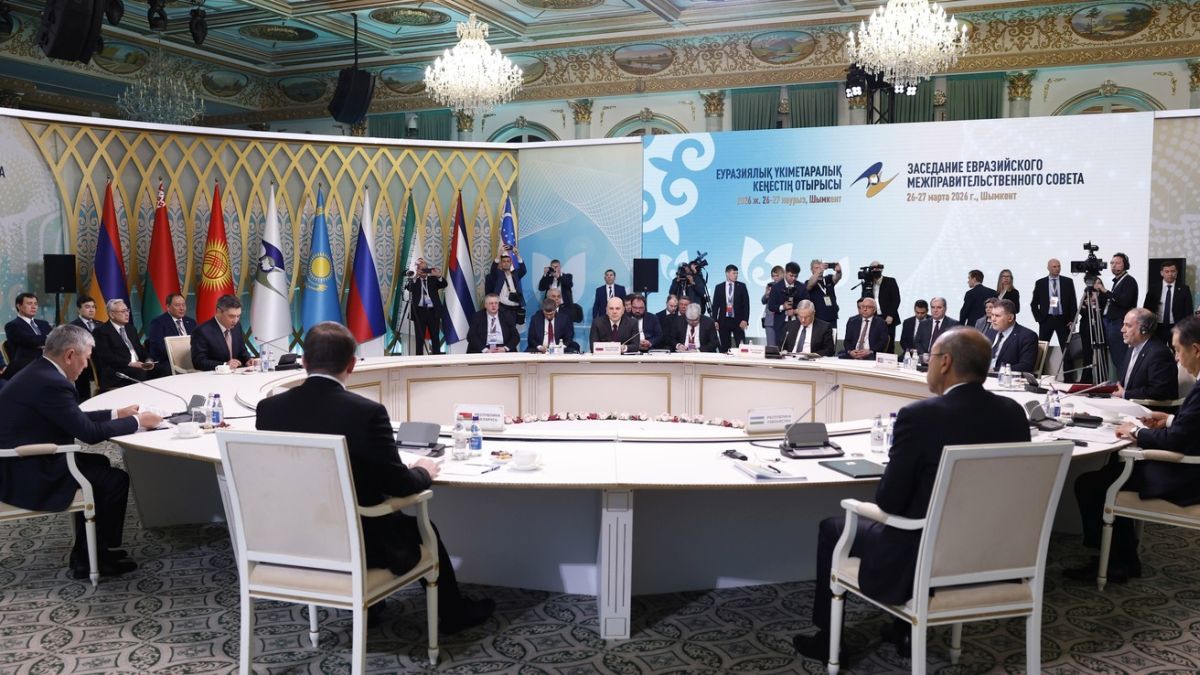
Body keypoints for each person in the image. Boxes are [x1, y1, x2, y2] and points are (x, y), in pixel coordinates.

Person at [792, 328, 1030, 663]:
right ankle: (903, 630)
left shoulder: (921, 416)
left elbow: (889, 502)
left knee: (834, 528)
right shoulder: (1013, 413)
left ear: (945, 363)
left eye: (931, 357)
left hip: (922, 554)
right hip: (990, 554)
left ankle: (829, 641)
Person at [255, 321, 494, 632]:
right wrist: (423, 470)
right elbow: (398, 485)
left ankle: (375, 605)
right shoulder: (366, 413)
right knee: (422, 529)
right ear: (352, 365)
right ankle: (452, 614)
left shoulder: (269, 410)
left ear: (303, 361)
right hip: (359, 543)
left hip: (295, 540)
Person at [0, 325, 162, 580]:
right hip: (24, 469)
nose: (87, 365)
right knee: (114, 480)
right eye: (86, 358)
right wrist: (138, 422)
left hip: (23, 458)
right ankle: (93, 559)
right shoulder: (51, 383)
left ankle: (90, 551)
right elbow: (89, 434)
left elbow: (72, 417)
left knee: (100, 463)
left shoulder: (41, 371)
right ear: (69, 355)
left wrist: (117, 413)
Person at [1068, 316, 1200, 584]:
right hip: (1184, 464)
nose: (1176, 358)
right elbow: (1191, 427)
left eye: (1178, 350)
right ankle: (1123, 557)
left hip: (1185, 475)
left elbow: (1177, 440)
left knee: (1092, 483)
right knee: (1109, 472)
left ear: (1196, 349)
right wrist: (1169, 420)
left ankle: (1114, 562)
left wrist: (1136, 432)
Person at [1112, 308, 1178, 402]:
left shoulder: (1159, 353)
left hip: (1148, 408)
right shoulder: (1132, 348)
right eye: (1123, 325)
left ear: (1144, 329)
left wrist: (1125, 394)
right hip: (1127, 403)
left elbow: (1159, 391)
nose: (1122, 330)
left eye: (1128, 325)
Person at [92, 299, 157, 391]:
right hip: (116, 371)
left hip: (137, 366)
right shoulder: (101, 331)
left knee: (159, 369)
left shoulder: (131, 329)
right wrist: (130, 364)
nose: (127, 314)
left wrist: (148, 360)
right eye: (123, 311)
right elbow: (106, 357)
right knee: (140, 373)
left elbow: (140, 349)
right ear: (112, 314)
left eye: (127, 310)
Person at [1095, 253, 1138, 372]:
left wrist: (1104, 290)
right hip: (1111, 322)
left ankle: (1124, 382)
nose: (1114, 265)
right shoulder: (1118, 281)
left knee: (1120, 356)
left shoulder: (1129, 281)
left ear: (1125, 265)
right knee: (1115, 356)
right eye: (1112, 263)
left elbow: (1124, 302)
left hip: (1119, 323)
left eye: (1117, 263)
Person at [191, 294, 256, 371]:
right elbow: (198, 362)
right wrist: (224, 365)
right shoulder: (202, 331)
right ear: (219, 311)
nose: (235, 321)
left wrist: (248, 360)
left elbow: (242, 350)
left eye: (238, 316)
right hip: (214, 375)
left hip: (236, 374)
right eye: (231, 316)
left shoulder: (237, 326)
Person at [144, 293, 197, 377]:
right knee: (169, 369)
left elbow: (197, 341)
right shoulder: (158, 323)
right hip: (167, 360)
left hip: (190, 357)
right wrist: (180, 355)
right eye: (177, 305)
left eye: (183, 305)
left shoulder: (191, 322)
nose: (182, 308)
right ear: (168, 307)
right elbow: (158, 346)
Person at [1030, 258, 1078, 350]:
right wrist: (1039, 319)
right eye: (1054, 267)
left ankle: (1067, 360)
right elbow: (1034, 304)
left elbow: (1073, 301)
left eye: (1059, 266)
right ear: (1048, 268)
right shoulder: (1040, 283)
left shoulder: (1068, 281)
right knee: (1041, 348)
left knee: (1067, 349)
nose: (1057, 269)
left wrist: (1073, 319)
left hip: (1063, 320)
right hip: (1046, 319)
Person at [3, 292, 53, 378]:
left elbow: (56, 339)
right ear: (19, 306)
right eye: (29, 303)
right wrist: (48, 339)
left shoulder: (44, 324)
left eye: (35, 304)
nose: (34, 307)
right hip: (26, 365)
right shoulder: (12, 325)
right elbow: (30, 340)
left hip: (49, 362)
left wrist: (42, 342)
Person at [1144, 260, 1193, 344]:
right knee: (1157, 348)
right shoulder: (1154, 288)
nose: (1170, 274)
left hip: (1176, 327)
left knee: (1176, 349)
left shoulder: (1184, 289)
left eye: (1173, 271)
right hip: (1157, 326)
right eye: (1167, 271)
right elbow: (1147, 308)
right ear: (1162, 273)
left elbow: (1188, 310)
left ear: (1176, 272)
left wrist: (1186, 328)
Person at [405, 258, 447, 355]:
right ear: (417, 269)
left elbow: (444, 284)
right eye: (421, 269)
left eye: (425, 269)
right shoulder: (415, 281)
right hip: (419, 312)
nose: (424, 271)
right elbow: (408, 288)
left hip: (433, 312)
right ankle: (419, 359)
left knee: (435, 337)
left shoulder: (433, 280)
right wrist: (416, 276)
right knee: (419, 338)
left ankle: (437, 358)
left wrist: (439, 276)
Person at [988, 299, 1038, 373]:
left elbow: (1026, 366)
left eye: (997, 316)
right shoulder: (990, 332)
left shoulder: (1027, 336)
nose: (993, 319)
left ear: (1010, 318)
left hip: (1004, 377)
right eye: (992, 315)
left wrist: (994, 370)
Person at [861, 261, 900, 351]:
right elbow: (864, 299)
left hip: (888, 318)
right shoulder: (867, 283)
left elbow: (896, 299)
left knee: (889, 344)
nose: (876, 269)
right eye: (873, 268)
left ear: (881, 269)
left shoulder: (890, 281)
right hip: (873, 317)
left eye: (878, 267)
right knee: (873, 341)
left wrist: (891, 315)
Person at [711, 264, 749, 350]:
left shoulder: (742, 286)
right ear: (727, 273)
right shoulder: (719, 287)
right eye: (734, 273)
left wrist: (745, 320)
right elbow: (715, 306)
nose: (736, 275)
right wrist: (714, 320)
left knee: (741, 346)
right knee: (724, 347)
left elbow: (746, 304)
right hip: (724, 321)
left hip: (738, 321)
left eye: (737, 273)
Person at [68, 295, 99, 400]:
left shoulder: (101, 324)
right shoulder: (73, 327)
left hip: (102, 364)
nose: (91, 310)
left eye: (93, 307)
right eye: (87, 307)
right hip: (84, 365)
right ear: (78, 309)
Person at [486, 248, 525, 326]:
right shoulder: (499, 274)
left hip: (516, 308)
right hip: (503, 309)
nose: (506, 263)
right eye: (503, 261)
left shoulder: (516, 274)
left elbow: (523, 270)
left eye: (508, 261)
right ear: (501, 263)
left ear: (511, 263)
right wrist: (499, 255)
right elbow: (493, 269)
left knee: (514, 330)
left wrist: (517, 255)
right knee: (504, 330)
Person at [768, 262, 807, 339]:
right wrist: (783, 307)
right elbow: (771, 306)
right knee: (780, 345)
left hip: (798, 323)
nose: (793, 278)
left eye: (796, 276)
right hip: (780, 325)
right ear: (785, 273)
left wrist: (795, 311)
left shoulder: (801, 287)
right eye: (791, 275)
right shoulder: (776, 287)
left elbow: (806, 304)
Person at [806, 260, 841, 325]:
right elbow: (810, 284)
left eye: (821, 267)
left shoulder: (828, 279)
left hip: (832, 317)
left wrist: (839, 271)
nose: (820, 269)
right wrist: (820, 269)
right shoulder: (808, 282)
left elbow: (837, 278)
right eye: (816, 268)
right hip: (818, 318)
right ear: (811, 270)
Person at [761, 266, 784, 347]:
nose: (775, 278)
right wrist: (767, 294)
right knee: (771, 346)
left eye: (777, 276)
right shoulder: (770, 285)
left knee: (782, 346)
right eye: (773, 276)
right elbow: (763, 301)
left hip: (782, 320)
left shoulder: (786, 286)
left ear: (783, 274)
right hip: (770, 320)